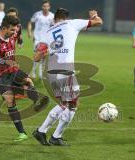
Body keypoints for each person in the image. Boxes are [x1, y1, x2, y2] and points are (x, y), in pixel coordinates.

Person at [32, 8, 103, 146]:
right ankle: (52, 135)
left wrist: (46, 52)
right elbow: (98, 22)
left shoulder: (47, 33)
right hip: (65, 71)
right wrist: (93, 15)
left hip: (51, 73)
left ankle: (45, 132)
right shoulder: (72, 23)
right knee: (73, 104)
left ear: (55, 19)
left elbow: (36, 57)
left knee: (65, 104)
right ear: (66, 17)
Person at [27, 0, 54, 79]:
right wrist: (29, 32)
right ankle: (34, 72)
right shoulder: (37, 14)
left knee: (44, 56)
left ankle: (41, 74)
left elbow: (55, 26)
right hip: (37, 39)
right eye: (44, 6)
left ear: (49, 7)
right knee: (37, 55)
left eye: (47, 6)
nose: (45, 8)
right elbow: (30, 22)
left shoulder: (52, 16)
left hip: (47, 40)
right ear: (42, 7)